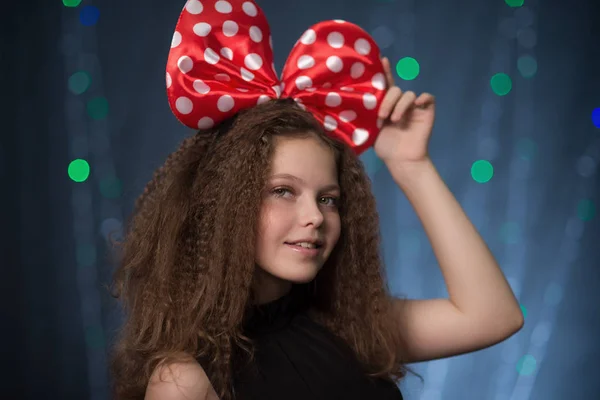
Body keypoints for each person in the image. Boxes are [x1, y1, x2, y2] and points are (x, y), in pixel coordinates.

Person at [109, 1, 524, 399]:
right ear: (223, 206)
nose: (315, 217)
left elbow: (494, 316)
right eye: (283, 191)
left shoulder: (352, 327)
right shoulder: (184, 380)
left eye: (328, 199)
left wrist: (411, 165)